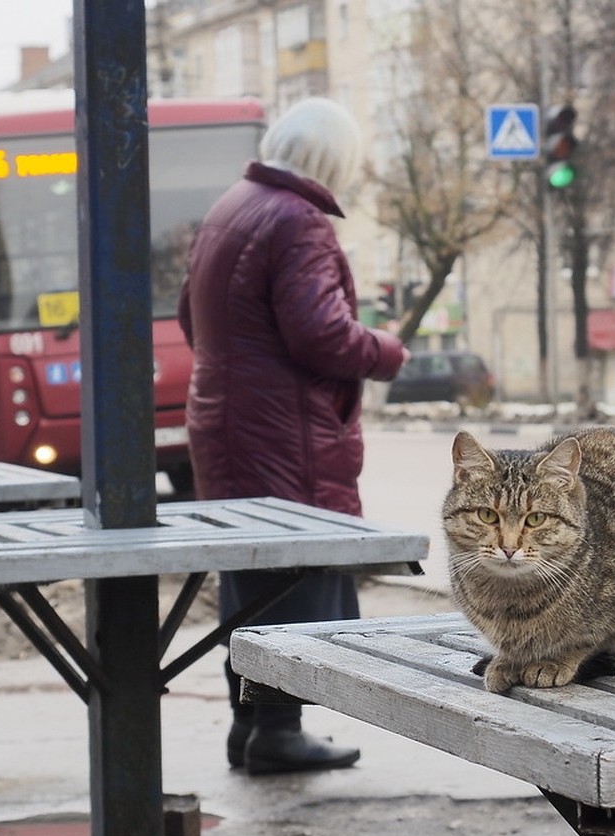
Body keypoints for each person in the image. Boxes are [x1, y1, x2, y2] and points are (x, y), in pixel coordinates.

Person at [178, 97, 409, 775]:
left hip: (226, 427)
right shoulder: (297, 220)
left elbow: (192, 320)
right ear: (331, 160)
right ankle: (278, 730)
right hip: (285, 436)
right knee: (293, 583)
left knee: (250, 580)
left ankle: (247, 727)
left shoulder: (232, 207)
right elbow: (322, 335)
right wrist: (387, 351)